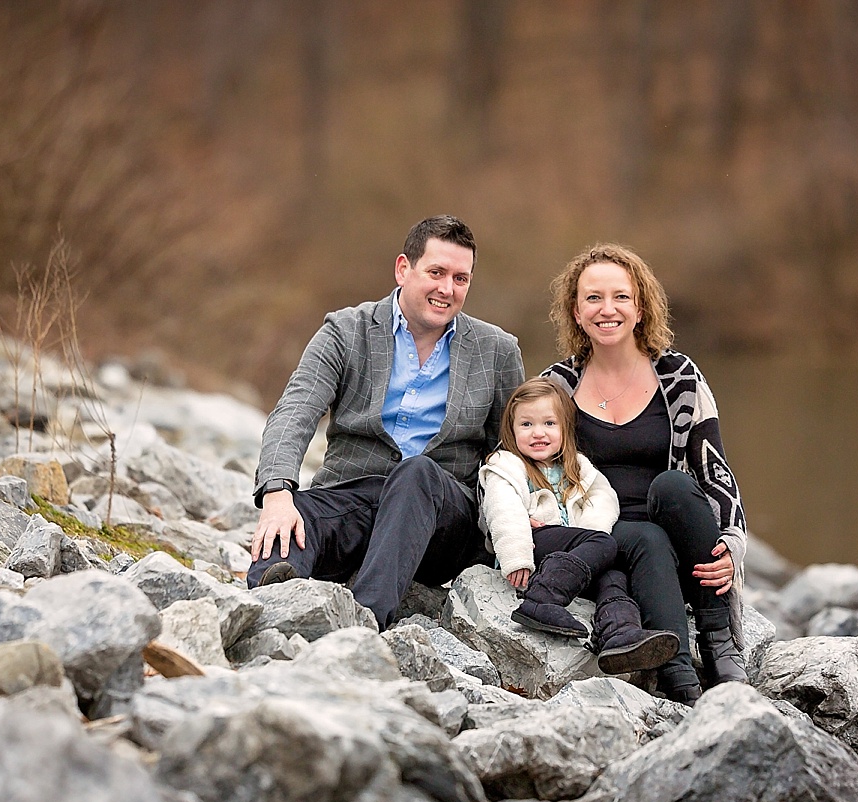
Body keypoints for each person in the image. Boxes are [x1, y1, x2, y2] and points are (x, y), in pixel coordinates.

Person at [246, 217, 525, 630]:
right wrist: (277, 493)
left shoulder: (497, 351)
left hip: (443, 519)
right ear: (402, 269)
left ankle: (363, 622)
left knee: (417, 475)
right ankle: (274, 603)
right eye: (436, 272)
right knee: (296, 516)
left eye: (461, 278)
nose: (447, 289)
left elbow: (510, 451)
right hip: (355, 498)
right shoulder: (345, 331)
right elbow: (295, 412)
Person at [541, 245, 752, 706]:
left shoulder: (680, 379)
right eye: (593, 298)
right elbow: (517, 467)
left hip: (677, 540)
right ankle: (680, 679)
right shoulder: (557, 387)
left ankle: (717, 638)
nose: (607, 309)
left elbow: (716, 473)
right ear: (576, 312)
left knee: (673, 486)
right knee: (643, 537)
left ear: (640, 307)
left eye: (620, 296)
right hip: (605, 538)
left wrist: (732, 546)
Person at [478, 378, 679, 677]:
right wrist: (516, 555)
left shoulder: (578, 466)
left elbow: (605, 498)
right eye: (526, 425)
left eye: (549, 423)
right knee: (606, 546)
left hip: (575, 553)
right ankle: (542, 598)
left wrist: (590, 534)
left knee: (612, 574)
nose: (538, 433)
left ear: (564, 429)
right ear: (511, 429)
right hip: (535, 544)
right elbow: (502, 509)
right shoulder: (506, 464)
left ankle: (619, 633)